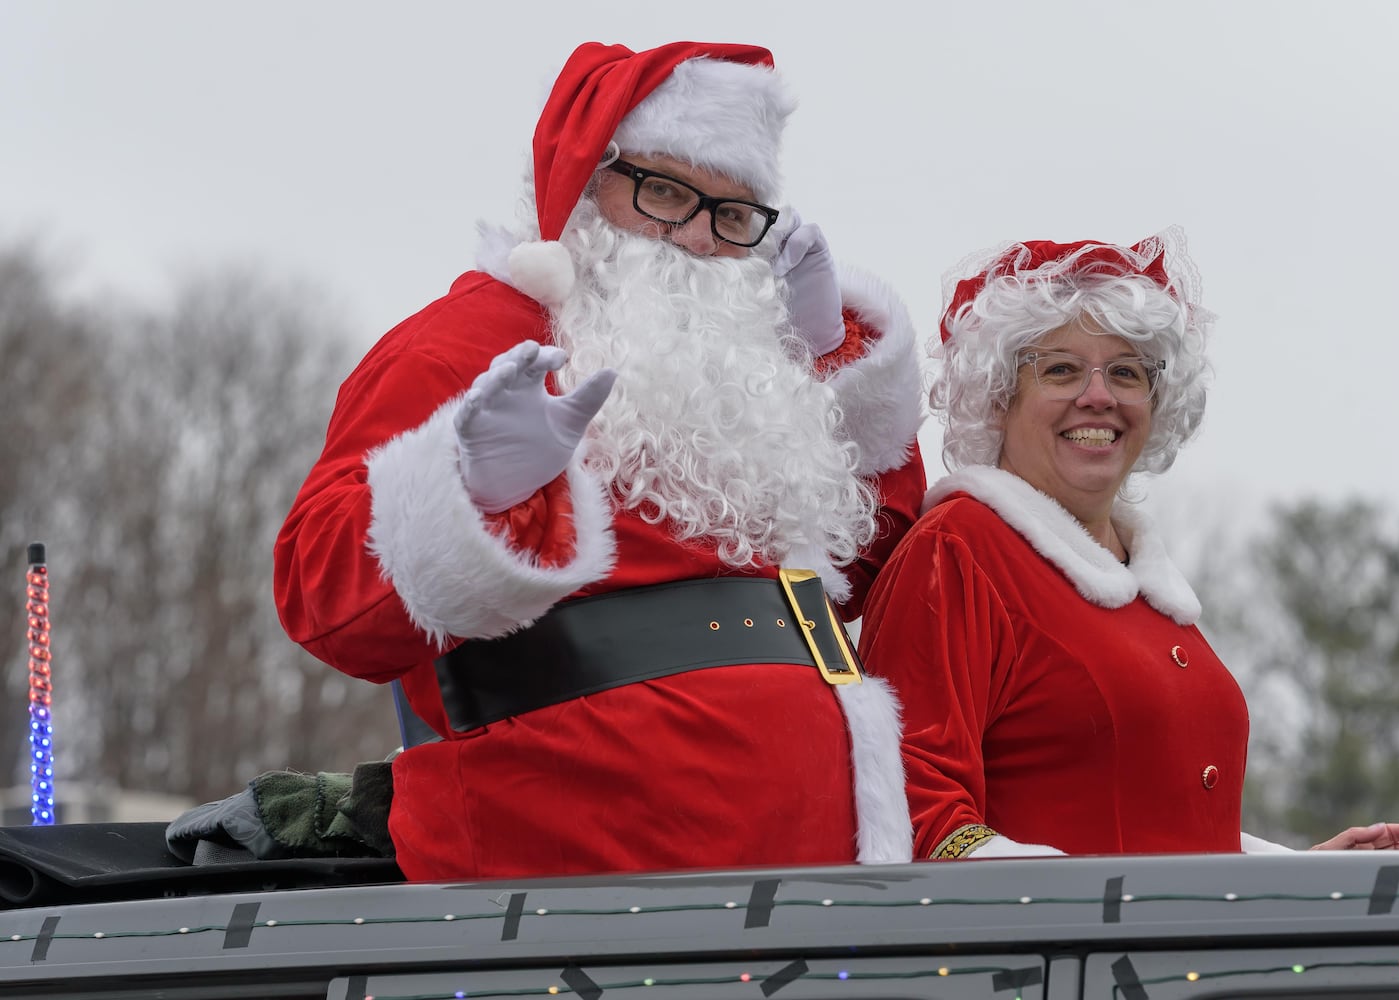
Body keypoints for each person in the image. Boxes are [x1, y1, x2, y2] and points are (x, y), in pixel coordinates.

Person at [273, 41, 926, 881]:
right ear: (582, 182)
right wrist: (467, 493)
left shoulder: (750, 376)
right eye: (663, 192)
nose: (698, 237)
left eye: (734, 216)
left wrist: (830, 371)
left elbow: (873, 571)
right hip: (576, 871)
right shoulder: (463, 346)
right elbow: (317, 598)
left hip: (808, 866)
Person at [856, 229, 1399, 859]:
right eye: (1061, 369)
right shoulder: (958, 549)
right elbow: (916, 817)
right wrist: (1090, 919)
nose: (1098, 396)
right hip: (1062, 957)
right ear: (999, 398)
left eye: (1126, 372)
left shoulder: (1149, 590)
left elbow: (1162, 835)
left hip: (1169, 957)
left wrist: (1303, 879)